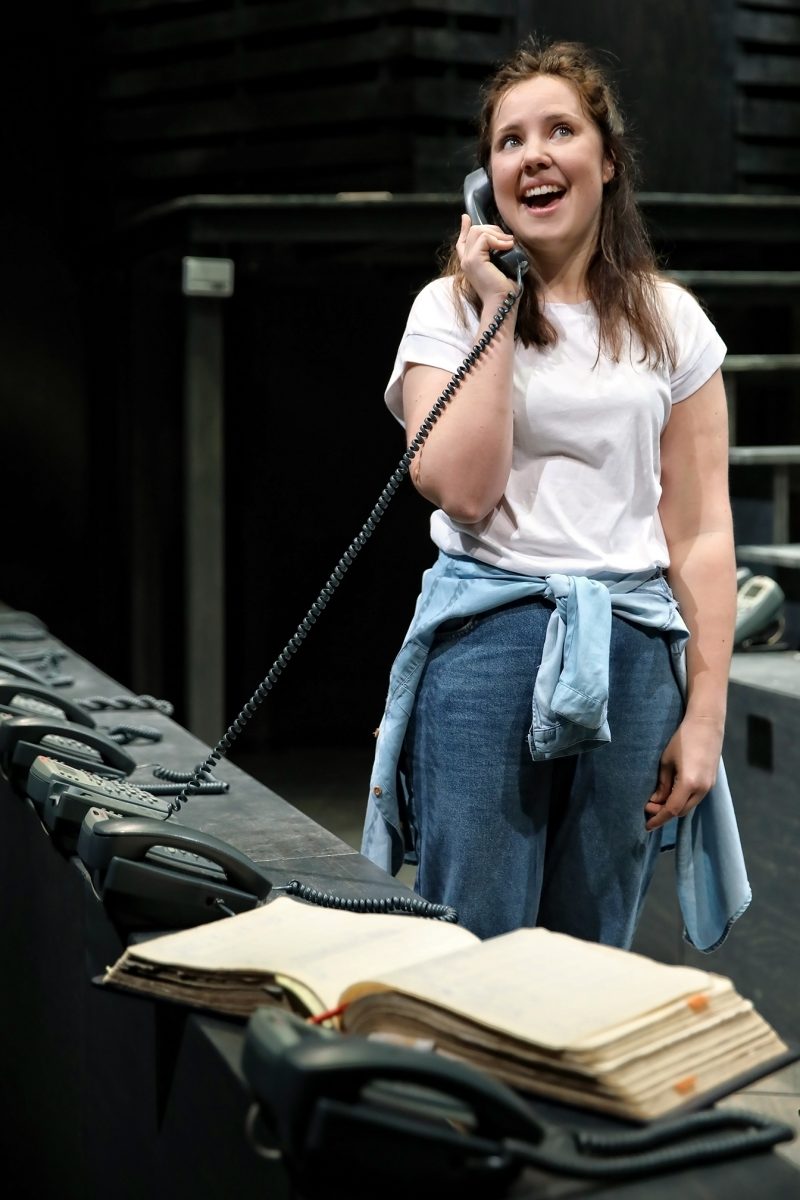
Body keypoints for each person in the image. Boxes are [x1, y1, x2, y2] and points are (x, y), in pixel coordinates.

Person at [361, 38, 749, 950]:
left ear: (606, 161)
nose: (531, 154)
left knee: (590, 950)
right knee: (476, 939)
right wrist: (498, 309)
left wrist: (705, 716)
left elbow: (699, 533)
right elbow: (463, 488)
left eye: (560, 130)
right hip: (488, 642)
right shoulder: (446, 309)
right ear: (484, 180)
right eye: (508, 141)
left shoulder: (673, 320)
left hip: (632, 649)